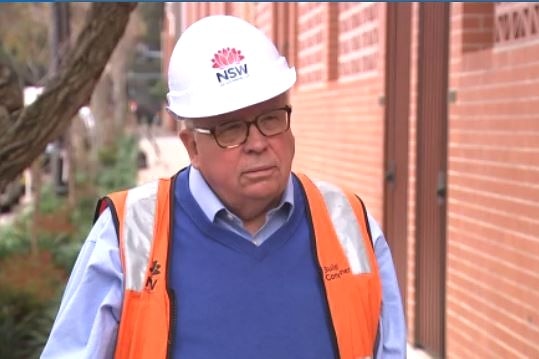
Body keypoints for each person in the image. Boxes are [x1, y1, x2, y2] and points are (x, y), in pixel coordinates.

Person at [42, 15, 406, 359]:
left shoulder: (350, 225)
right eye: (231, 128)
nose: (258, 143)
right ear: (192, 147)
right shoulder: (128, 236)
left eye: (271, 118)